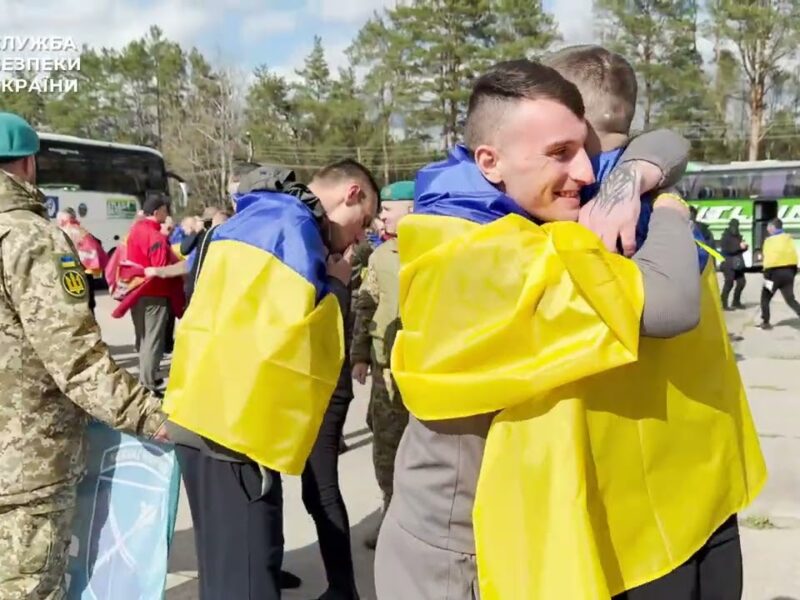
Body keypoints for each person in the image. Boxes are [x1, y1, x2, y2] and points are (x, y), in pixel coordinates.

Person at [374, 59, 705, 600]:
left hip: (495, 536)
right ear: (490, 161)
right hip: (456, 559)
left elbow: (666, 142)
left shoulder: (486, 207)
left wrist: (632, 173)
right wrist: (668, 204)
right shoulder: (481, 257)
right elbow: (671, 303)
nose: (588, 173)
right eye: (560, 153)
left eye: (586, 150)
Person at [543, 45, 763, 600]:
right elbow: (668, 143)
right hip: (710, 482)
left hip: (636, 519)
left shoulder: (580, 212)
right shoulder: (662, 198)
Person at [163, 160, 379, 600]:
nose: (360, 237)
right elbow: (296, 348)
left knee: (226, 566)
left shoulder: (257, 218)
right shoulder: (292, 229)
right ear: (351, 194)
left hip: (205, 414)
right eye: (364, 222)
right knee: (246, 579)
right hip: (235, 429)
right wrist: (337, 287)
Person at [0, 111, 169, 599]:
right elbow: (75, 359)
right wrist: (151, 416)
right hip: (25, 467)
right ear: (28, 164)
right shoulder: (30, 238)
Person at [351, 181, 414, 549]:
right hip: (385, 367)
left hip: (423, 370)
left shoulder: (438, 250)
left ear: (412, 210)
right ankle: (390, 519)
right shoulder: (381, 256)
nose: (382, 217)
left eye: (389, 209)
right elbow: (366, 305)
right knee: (386, 449)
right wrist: (359, 355)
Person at [112, 196, 185, 396]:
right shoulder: (156, 237)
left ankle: (145, 378)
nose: (167, 215)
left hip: (136, 291)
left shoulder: (134, 231)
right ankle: (148, 384)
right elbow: (160, 269)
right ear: (156, 212)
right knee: (153, 341)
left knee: (143, 338)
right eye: (165, 210)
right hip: (156, 293)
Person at [759, 217, 800, 330]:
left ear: (773, 227)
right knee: (790, 299)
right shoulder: (788, 239)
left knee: (765, 298)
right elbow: (794, 257)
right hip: (788, 273)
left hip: (773, 274)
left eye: (768, 226)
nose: (767, 229)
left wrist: (766, 276)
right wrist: (792, 273)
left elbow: (767, 260)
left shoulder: (769, 241)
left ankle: (766, 322)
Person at [720, 218, 748, 310]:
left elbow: (740, 249)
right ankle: (723, 303)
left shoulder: (738, 236)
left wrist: (745, 247)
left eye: (736, 226)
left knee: (741, 282)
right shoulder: (725, 236)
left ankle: (736, 301)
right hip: (728, 263)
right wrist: (739, 247)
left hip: (737, 262)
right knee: (729, 283)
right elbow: (728, 249)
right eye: (733, 226)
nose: (735, 228)